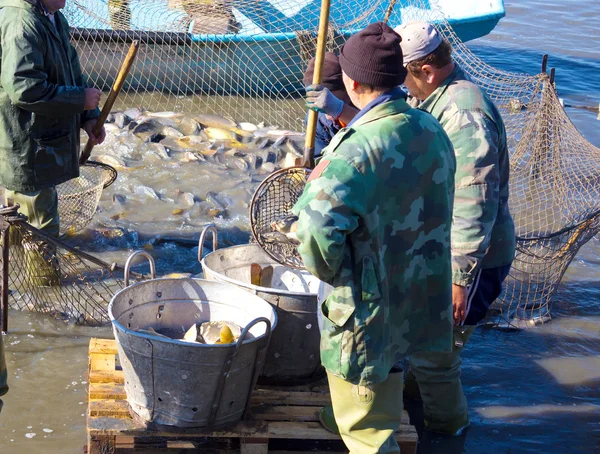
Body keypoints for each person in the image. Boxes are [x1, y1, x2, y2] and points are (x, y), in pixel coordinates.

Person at [292, 22, 456, 453]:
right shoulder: (431, 128)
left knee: (367, 435)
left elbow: (313, 236)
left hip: (369, 310)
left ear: (351, 81)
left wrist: (340, 277)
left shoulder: (353, 150)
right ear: (401, 77)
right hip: (417, 297)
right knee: (389, 380)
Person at [394, 21, 516, 436]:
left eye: (406, 76)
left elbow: (474, 200)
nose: (403, 86)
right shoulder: (438, 96)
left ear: (426, 71)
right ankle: (414, 403)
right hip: (443, 251)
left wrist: (459, 279)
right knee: (427, 350)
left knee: (437, 357)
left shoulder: (464, 113)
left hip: (471, 259)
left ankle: (448, 436)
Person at [0, 0, 105, 238]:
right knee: (40, 233)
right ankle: (45, 277)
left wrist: (88, 116)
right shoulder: (21, 23)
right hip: (26, 148)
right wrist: (80, 100)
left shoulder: (54, 17)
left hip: (47, 142)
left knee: (23, 231)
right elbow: (25, 89)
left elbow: (72, 71)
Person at [304, 52, 353, 157]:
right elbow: (318, 156)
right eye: (316, 98)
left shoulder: (364, 106)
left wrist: (341, 111)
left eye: (328, 97)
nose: (324, 106)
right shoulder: (315, 118)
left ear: (346, 89)